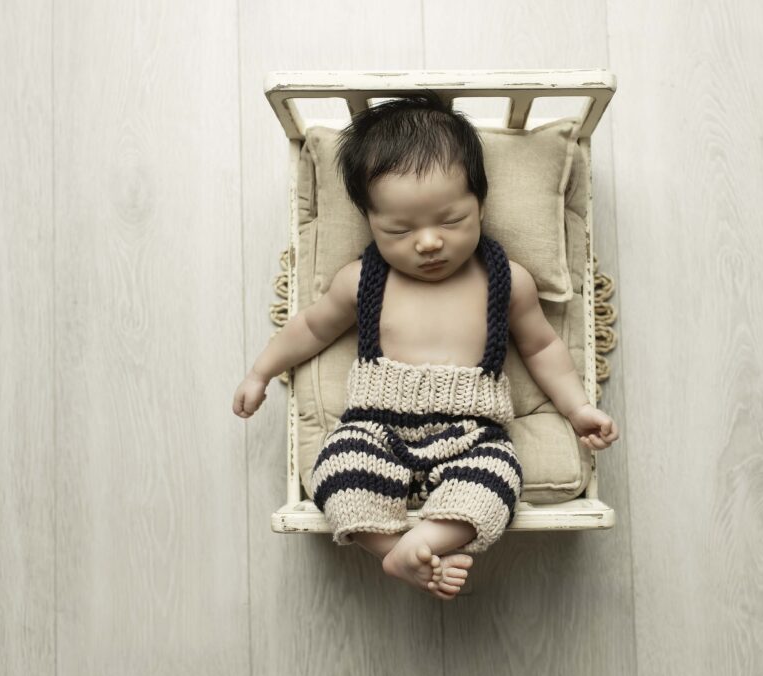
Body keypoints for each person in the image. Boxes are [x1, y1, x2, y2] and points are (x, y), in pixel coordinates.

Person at [233, 92, 619, 600]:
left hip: (471, 432)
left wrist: (578, 409)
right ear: (370, 221)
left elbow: (544, 348)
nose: (429, 242)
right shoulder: (362, 280)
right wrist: (261, 372)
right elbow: (309, 328)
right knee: (337, 469)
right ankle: (395, 549)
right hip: (376, 426)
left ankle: (416, 547)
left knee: (497, 481)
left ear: (479, 202)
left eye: (451, 220)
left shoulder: (506, 280)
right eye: (399, 229)